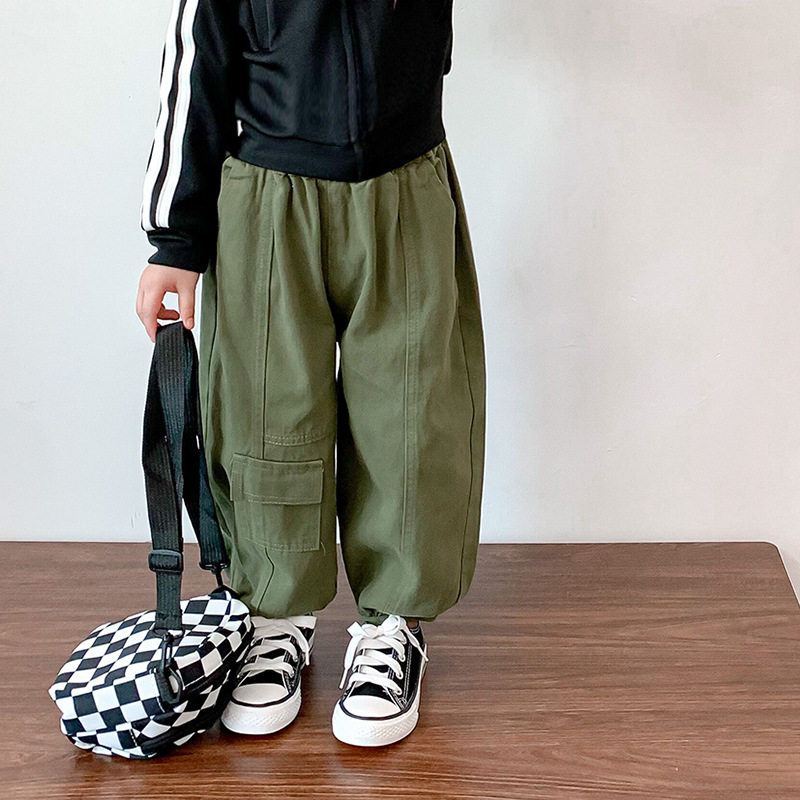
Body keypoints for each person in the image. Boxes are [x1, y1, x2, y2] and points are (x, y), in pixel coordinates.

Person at [135, 0, 485, 748]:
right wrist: (175, 238)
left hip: (404, 182)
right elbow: (196, 64)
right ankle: (274, 613)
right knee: (266, 412)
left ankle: (394, 624)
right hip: (268, 197)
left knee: (412, 412)